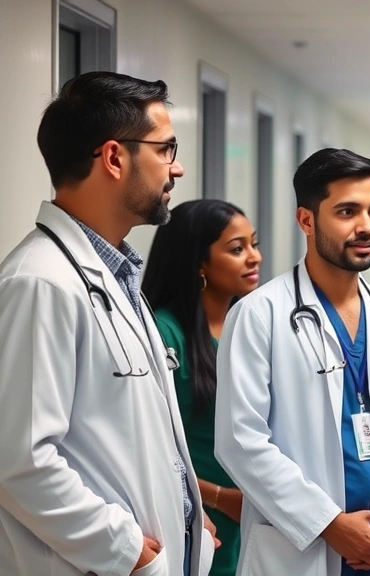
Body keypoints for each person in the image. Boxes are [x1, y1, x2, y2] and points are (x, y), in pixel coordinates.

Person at [0, 71, 214, 576]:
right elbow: (19, 462)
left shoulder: (114, 273)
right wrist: (129, 551)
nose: (176, 168)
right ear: (115, 158)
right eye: (166, 149)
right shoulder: (40, 283)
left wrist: (188, 517)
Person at [214, 148, 370, 576]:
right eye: (347, 211)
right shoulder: (260, 315)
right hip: (301, 545)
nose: (366, 226)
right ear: (306, 220)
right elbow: (241, 442)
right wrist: (328, 524)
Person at [143, 199, 262, 576]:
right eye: (237, 249)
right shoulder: (165, 335)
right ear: (199, 263)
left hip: (256, 514)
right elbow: (150, 450)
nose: (254, 257)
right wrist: (220, 499)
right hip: (200, 515)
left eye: (254, 244)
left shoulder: (251, 326)